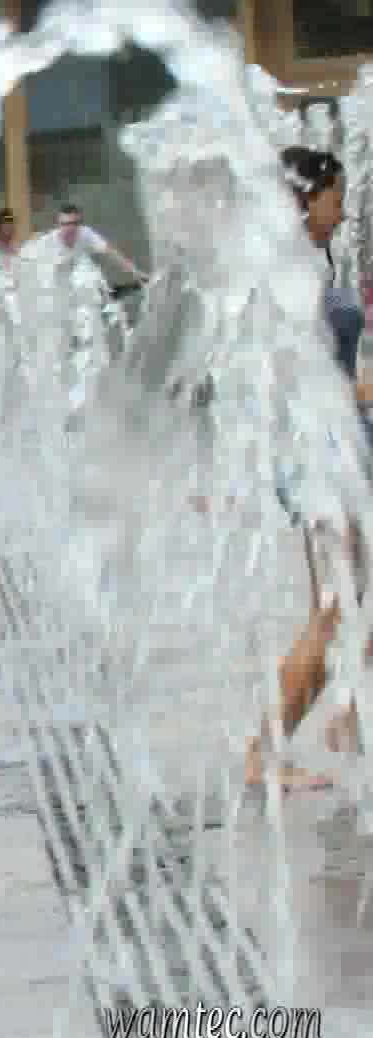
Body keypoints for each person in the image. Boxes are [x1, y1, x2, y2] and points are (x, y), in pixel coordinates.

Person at [250, 146, 366, 791]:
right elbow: (290, 378)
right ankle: (264, 750)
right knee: (335, 609)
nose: (342, 212)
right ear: (303, 200)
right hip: (317, 455)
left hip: (339, 448)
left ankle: (346, 715)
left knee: (347, 603)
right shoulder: (283, 274)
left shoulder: (303, 265)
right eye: (334, 199)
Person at [30, 203, 146, 281]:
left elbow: (110, 252)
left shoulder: (85, 233)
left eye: (75, 223)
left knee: (88, 272)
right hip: (56, 284)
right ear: (58, 225)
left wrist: (135, 272)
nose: (70, 228)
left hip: (81, 282)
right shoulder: (47, 241)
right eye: (66, 224)